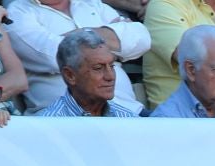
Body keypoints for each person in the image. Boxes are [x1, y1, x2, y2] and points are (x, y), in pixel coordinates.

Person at [10, 0, 147, 114]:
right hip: (66, 120)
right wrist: (111, 35)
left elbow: (142, 39)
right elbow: (53, 55)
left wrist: (77, 36)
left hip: (130, 112)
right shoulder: (17, 13)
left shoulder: (92, 4)